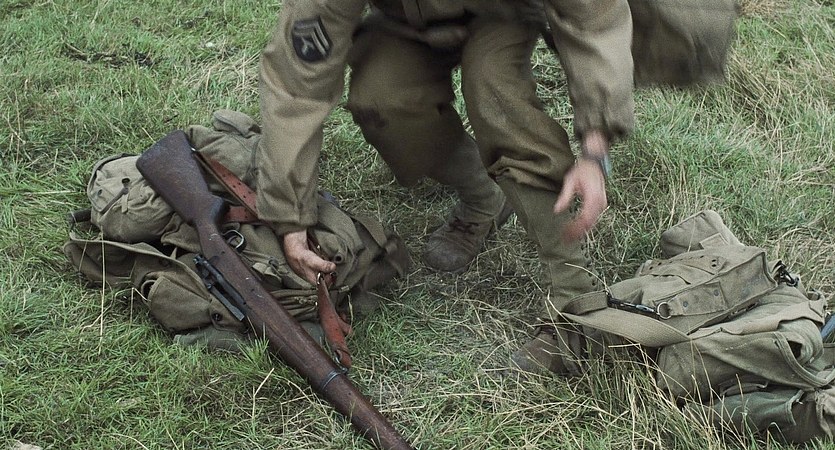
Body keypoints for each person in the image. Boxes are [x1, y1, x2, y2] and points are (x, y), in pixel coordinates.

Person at [254, 0, 634, 373]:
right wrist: (290, 216)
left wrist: (595, 148)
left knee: (496, 92)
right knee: (382, 99)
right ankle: (485, 198)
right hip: (407, 19)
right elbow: (297, 79)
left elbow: (594, 17)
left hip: (501, 13)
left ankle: (575, 302)